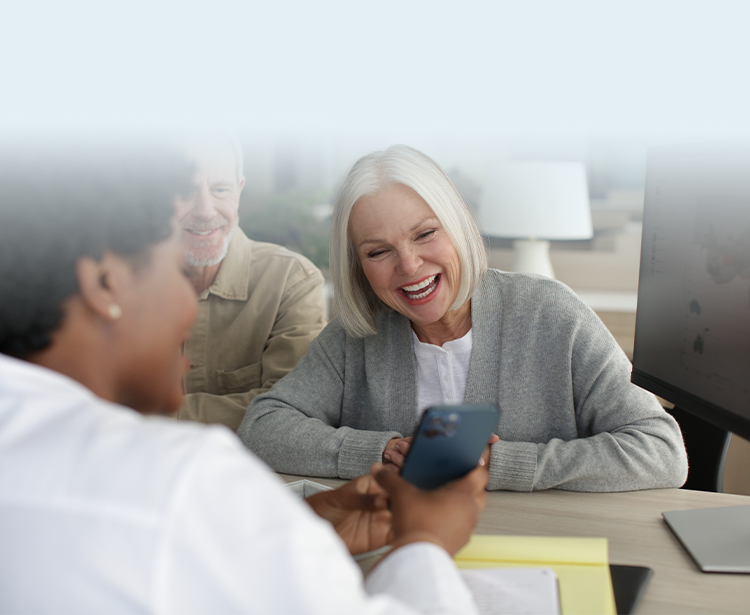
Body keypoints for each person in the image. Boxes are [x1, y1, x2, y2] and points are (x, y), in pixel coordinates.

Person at [0, 149, 487, 615]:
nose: (195, 307)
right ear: (106, 283)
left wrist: (282, 534)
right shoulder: (180, 478)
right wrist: (427, 542)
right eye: (176, 269)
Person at [239, 144, 688, 492]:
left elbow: (662, 452)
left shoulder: (551, 315)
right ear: (358, 265)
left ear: (458, 226)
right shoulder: (355, 335)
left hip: (536, 547)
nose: (410, 265)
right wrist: (379, 451)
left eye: (425, 234)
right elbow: (263, 428)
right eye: (379, 251)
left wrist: (503, 464)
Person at [175, 135, 325, 430]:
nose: (205, 210)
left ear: (239, 191)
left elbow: (291, 411)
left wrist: (147, 416)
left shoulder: (291, 282)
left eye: (220, 189)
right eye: (185, 191)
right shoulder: (116, 283)